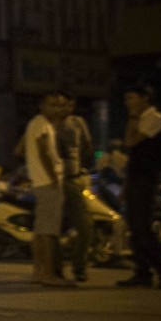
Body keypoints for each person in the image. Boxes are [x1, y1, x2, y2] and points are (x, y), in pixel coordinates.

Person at [117, 84, 161, 289]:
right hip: (135, 177)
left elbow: (131, 141)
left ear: (144, 98)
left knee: (142, 227)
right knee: (134, 226)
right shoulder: (140, 119)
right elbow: (131, 150)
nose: (128, 103)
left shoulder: (154, 117)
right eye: (126, 99)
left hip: (146, 179)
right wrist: (125, 184)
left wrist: (132, 118)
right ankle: (142, 272)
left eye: (131, 98)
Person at [21, 92, 76, 287]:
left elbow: (20, 149)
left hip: (40, 181)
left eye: (60, 105)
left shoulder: (37, 124)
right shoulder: (41, 124)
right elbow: (43, 150)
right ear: (42, 106)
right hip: (47, 183)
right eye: (53, 105)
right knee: (48, 232)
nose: (58, 109)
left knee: (40, 230)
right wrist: (53, 176)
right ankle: (48, 274)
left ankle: (38, 271)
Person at [53, 94, 94, 281]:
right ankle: (56, 268)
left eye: (69, 104)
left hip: (74, 179)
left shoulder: (78, 123)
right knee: (54, 228)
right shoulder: (48, 125)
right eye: (61, 105)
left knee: (85, 227)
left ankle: (79, 266)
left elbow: (87, 147)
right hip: (56, 181)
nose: (65, 109)